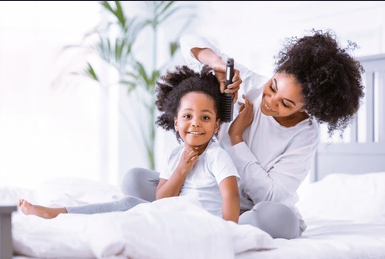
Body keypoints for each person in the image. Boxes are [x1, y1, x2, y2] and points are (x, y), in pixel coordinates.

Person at [120, 29, 365, 239]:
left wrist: (236, 139)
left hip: (252, 209)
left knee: (281, 218)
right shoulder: (248, 82)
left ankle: (219, 227)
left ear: (309, 108)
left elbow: (270, 195)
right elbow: (189, 41)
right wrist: (216, 62)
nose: (269, 102)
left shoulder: (305, 136)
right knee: (134, 180)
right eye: (272, 87)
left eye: (286, 104)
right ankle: (208, 219)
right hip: (208, 195)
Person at [19, 65, 240, 223]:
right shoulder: (174, 156)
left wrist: (230, 233)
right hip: (174, 217)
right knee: (129, 205)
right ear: (175, 121)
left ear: (216, 125)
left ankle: (59, 213)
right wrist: (181, 169)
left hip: (199, 224)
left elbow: (231, 196)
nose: (196, 124)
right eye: (187, 116)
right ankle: (62, 213)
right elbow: (161, 198)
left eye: (205, 118)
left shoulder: (216, 157)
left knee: (132, 207)